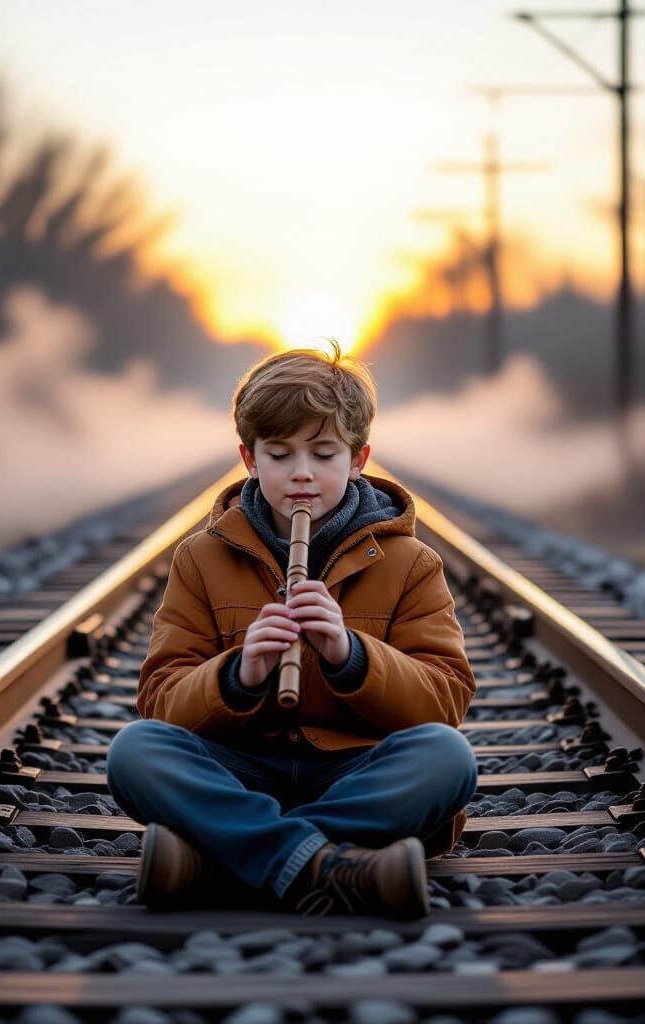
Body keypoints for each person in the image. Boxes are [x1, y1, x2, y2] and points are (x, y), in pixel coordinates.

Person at [106, 340, 478, 918]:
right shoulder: (200, 559)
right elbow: (160, 703)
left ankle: (222, 862)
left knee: (447, 756)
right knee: (135, 750)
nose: (301, 475)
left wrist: (351, 654)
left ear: (358, 459)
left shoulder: (411, 564)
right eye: (279, 455)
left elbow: (445, 702)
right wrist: (238, 675)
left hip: (354, 769)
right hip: (242, 768)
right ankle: (337, 869)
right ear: (250, 459)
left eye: (324, 454)